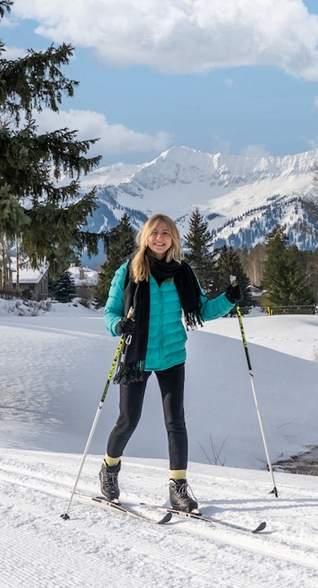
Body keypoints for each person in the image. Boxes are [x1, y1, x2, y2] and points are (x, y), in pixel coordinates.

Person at [99, 213, 240, 512]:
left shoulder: (183, 273)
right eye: (155, 232)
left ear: (173, 238)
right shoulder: (129, 271)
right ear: (146, 237)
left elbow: (202, 309)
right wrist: (118, 324)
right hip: (137, 357)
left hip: (173, 357)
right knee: (128, 421)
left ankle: (178, 488)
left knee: (176, 422)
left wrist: (228, 299)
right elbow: (109, 312)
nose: (160, 238)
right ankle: (109, 470)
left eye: (166, 233)